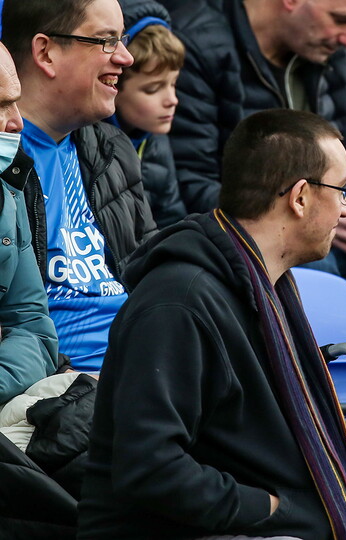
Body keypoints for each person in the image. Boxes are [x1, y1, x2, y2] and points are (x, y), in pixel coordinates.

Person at [79, 109, 346, 538]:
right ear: (300, 197)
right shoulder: (179, 302)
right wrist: (274, 510)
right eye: (343, 190)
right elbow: (149, 467)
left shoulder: (268, 285)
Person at [168, 0, 346, 276]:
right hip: (249, 237)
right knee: (321, 268)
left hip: (337, 221)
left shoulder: (331, 50)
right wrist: (320, 218)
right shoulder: (199, 46)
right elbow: (191, 181)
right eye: (341, 19)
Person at [1, 0, 157, 372]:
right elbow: (23, 326)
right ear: (46, 52)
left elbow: (150, 273)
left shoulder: (112, 148)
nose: (126, 58)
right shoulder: (5, 155)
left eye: (122, 39)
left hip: (144, 367)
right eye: (106, 41)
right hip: (59, 385)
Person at [0, 42, 59, 407]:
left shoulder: (9, 186)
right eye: (0, 106)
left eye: (15, 102)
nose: (17, 122)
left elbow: (33, 329)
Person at [113, 0, 187, 228]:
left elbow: (172, 221)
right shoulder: (88, 145)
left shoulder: (156, 141)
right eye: (153, 89)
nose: (172, 100)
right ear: (114, 85)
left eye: (173, 84)